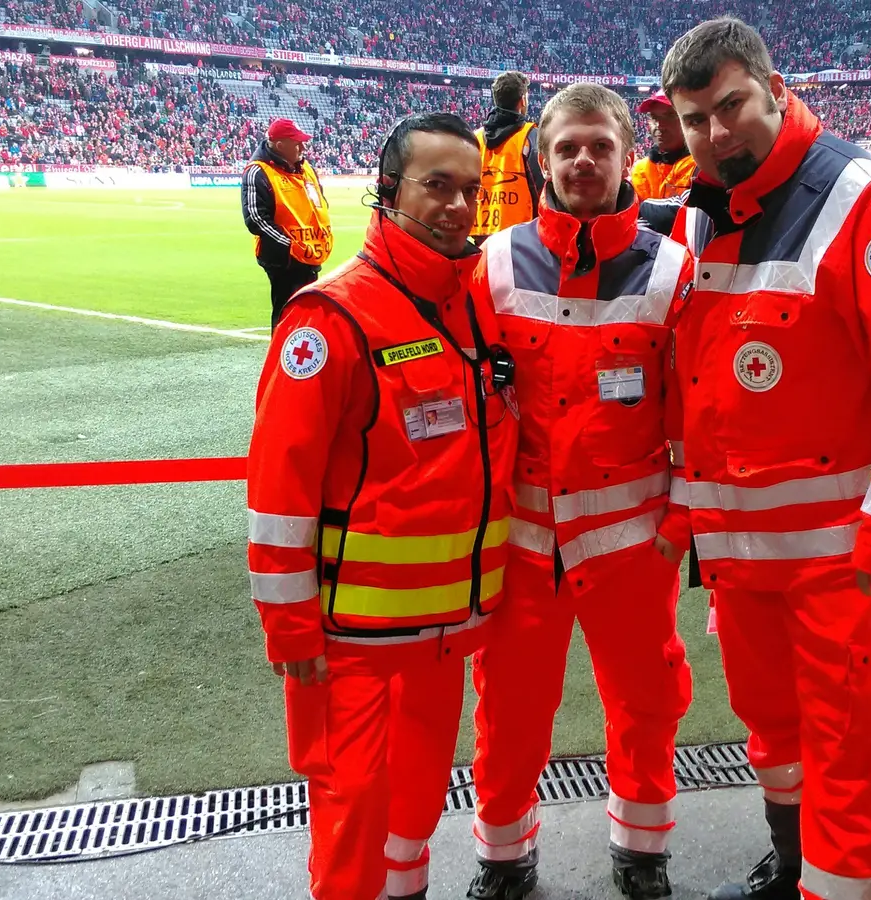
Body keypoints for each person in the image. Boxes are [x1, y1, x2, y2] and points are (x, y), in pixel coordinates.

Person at [642, 18, 871, 900]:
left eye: (732, 105)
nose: (716, 132)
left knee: (848, 752)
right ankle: (792, 871)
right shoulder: (710, 206)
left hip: (838, 562)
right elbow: (701, 380)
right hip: (742, 561)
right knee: (773, 733)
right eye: (696, 118)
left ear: (777, 92)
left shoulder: (862, 199)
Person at [247, 112, 519, 900]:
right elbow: (279, 489)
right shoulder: (328, 319)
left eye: (471, 189)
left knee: (417, 801)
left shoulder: (475, 304)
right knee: (354, 809)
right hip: (351, 639)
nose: (459, 207)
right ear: (390, 191)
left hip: (446, 632)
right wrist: (289, 624)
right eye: (438, 186)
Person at [467, 83, 695, 900]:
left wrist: (678, 523)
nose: (584, 161)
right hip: (522, 544)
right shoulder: (494, 261)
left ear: (629, 153)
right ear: (542, 157)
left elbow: (694, 409)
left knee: (647, 704)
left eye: (600, 145)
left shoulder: (673, 268)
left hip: (633, 546)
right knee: (509, 711)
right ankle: (502, 856)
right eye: (567, 147)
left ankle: (642, 853)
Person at [241, 117, 334, 324]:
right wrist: (290, 245)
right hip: (284, 261)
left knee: (308, 314)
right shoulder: (258, 171)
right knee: (287, 316)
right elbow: (256, 219)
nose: (303, 147)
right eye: (297, 143)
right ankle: (281, 346)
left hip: (311, 254)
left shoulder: (306, 167)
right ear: (280, 145)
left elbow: (320, 201)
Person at [472, 71, 544, 244]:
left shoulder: (474, 138)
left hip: (480, 233)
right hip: (521, 235)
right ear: (523, 100)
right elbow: (541, 188)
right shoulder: (529, 136)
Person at [632, 90, 697, 200]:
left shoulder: (701, 167)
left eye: (670, 116)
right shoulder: (641, 170)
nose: (659, 125)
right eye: (654, 117)